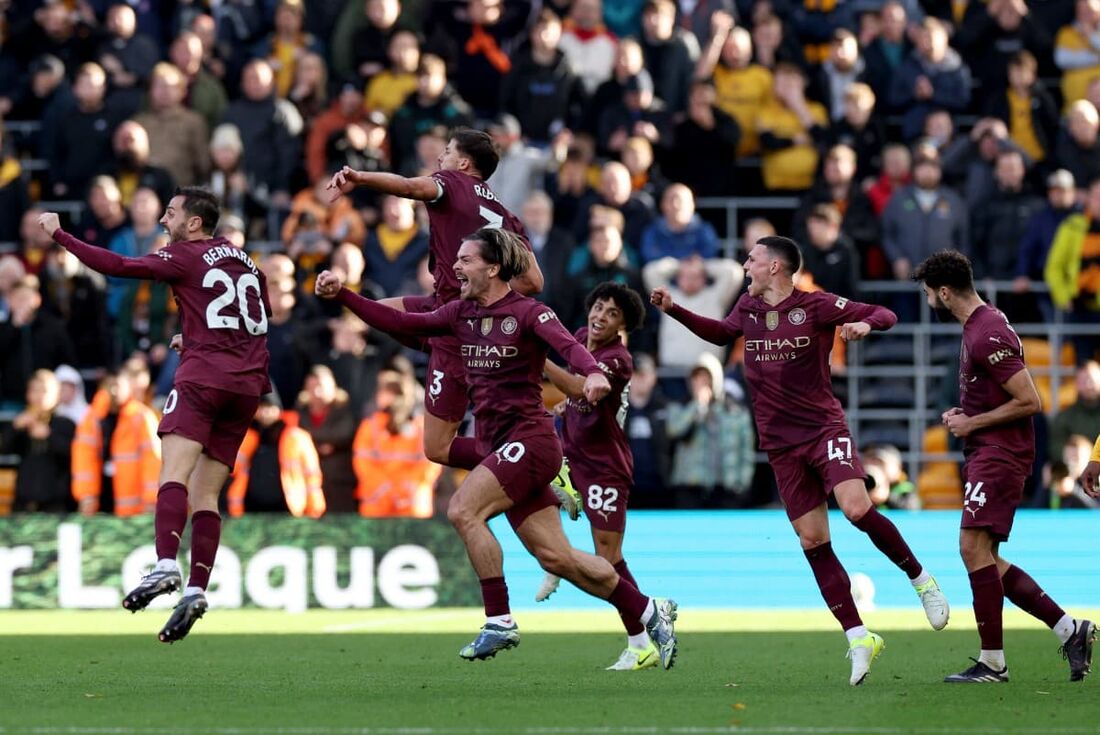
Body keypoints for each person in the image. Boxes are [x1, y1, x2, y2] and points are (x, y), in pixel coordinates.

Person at [314, 228, 678, 668]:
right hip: (500, 446)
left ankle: (499, 618)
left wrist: (594, 374)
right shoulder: (460, 313)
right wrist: (345, 298)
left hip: (529, 440)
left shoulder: (528, 313)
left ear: (492, 268)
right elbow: (402, 322)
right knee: (557, 558)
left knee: (463, 510)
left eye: (466, 260)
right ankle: (645, 609)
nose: (456, 267)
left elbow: (569, 347)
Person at [651, 235, 948, 686]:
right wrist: (674, 309)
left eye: (751, 259)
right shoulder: (747, 310)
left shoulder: (816, 305)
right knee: (813, 542)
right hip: (780, 444)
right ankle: (858, 637)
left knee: (855, 508)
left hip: (823, 429)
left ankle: (921, 579)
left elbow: (885, 313)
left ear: (774, 266)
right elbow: (720, 333)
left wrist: (865, 326)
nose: (745, 265)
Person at [38, 186, 271, 644]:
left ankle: (165, 565)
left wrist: (60, 236)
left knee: (173, 476)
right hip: (246, 387)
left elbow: (119, 267)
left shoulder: (184, 255)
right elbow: (249, 322)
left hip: (204, 380)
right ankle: (197, 590)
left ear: (195, 224)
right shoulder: (249, 264)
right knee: (207, 496)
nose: (163, 222)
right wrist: (196, 335)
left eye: (171, 214)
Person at [912, 249, 1095, 683]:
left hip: (1000, 454)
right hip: (987, 450)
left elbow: (1031, 400)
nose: (928, 303)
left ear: (944, 291)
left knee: (971, 549)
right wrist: (966, 414)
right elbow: (999, 394)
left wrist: (973, 422)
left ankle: (993, 662)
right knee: (986, 558)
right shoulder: (978, 326)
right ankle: (1070, 630)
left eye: (928, 295)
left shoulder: (986, 332)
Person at [326, 128, 544, 476]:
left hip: (455, 325)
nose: (440, 158)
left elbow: (411, 187)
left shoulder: (452, 182)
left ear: (463, 162)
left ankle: (529, 456)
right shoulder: (507, 216)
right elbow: (534, 281)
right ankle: (529, 452)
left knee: (438, 447)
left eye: (446, 151)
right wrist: (489, 298)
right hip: (450, 311)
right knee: (380, 313)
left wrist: (360, 177)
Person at [533, 282, 662, 670]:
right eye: (599, 307)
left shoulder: (618, 359)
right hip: (573, 455)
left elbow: (583, 390)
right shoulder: (578, 339)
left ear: (623, 325)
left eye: (612, 314)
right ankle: (555, 559)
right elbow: (573, 398)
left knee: (609, 561)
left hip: (605, 466)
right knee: (527, 483)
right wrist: (563, 410)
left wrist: (537, 358)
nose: (600, 317)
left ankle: (642, 638)